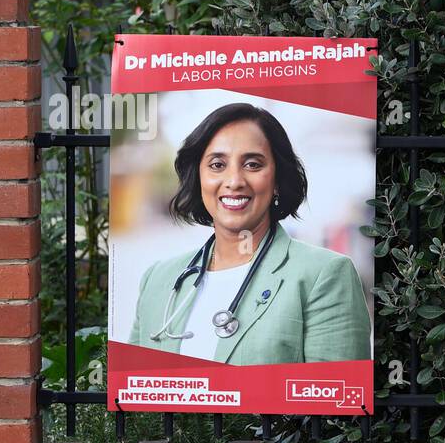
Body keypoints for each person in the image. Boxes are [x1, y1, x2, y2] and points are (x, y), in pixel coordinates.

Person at [128, 102, 371, 364]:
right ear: (198, 178)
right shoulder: (157, 279)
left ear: (277, 180)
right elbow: (132, 391)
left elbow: (336, 397)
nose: (234, 181)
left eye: (253, 164)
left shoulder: (325, 275)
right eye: (217, 164)